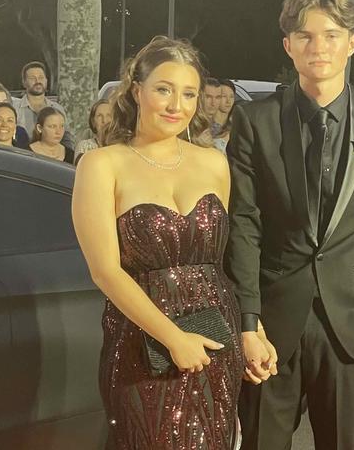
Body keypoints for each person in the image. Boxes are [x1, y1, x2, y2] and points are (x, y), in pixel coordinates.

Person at [225, 0, 354, 449]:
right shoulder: (256, 120)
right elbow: (244, 225)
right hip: (272, 326)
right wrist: (247, 322)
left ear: (351, 43)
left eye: (331, 35)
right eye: (306, 36)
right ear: (288, 45)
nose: (319, 47)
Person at [71, 36, 244, 449]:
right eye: (164, 89)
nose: (176, 105)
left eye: (189, 94)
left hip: (215, 338)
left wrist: (251, 331)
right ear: (137, 91)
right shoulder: (101, 165)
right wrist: (172, 337)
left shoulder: (215, 162)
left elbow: (223, 261)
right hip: (141, 345)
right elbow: (105, 271)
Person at [13, 61, 74, 149]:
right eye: (32, 78)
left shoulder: (57, 108)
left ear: (46, 80)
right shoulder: (15, 108)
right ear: (24, 82)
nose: (37, 81)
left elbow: (67, 138)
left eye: (41, 77)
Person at [74, 99, 112, 165]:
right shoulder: (84, 146)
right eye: (99, 116)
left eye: (109, 115)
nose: (104, 120)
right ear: (93, 122)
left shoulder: (122, 146)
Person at [211, 79, 236, 153]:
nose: (228, 101)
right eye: (224, 96)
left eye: (231, 97)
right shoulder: (204, 126)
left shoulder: (237, 125)